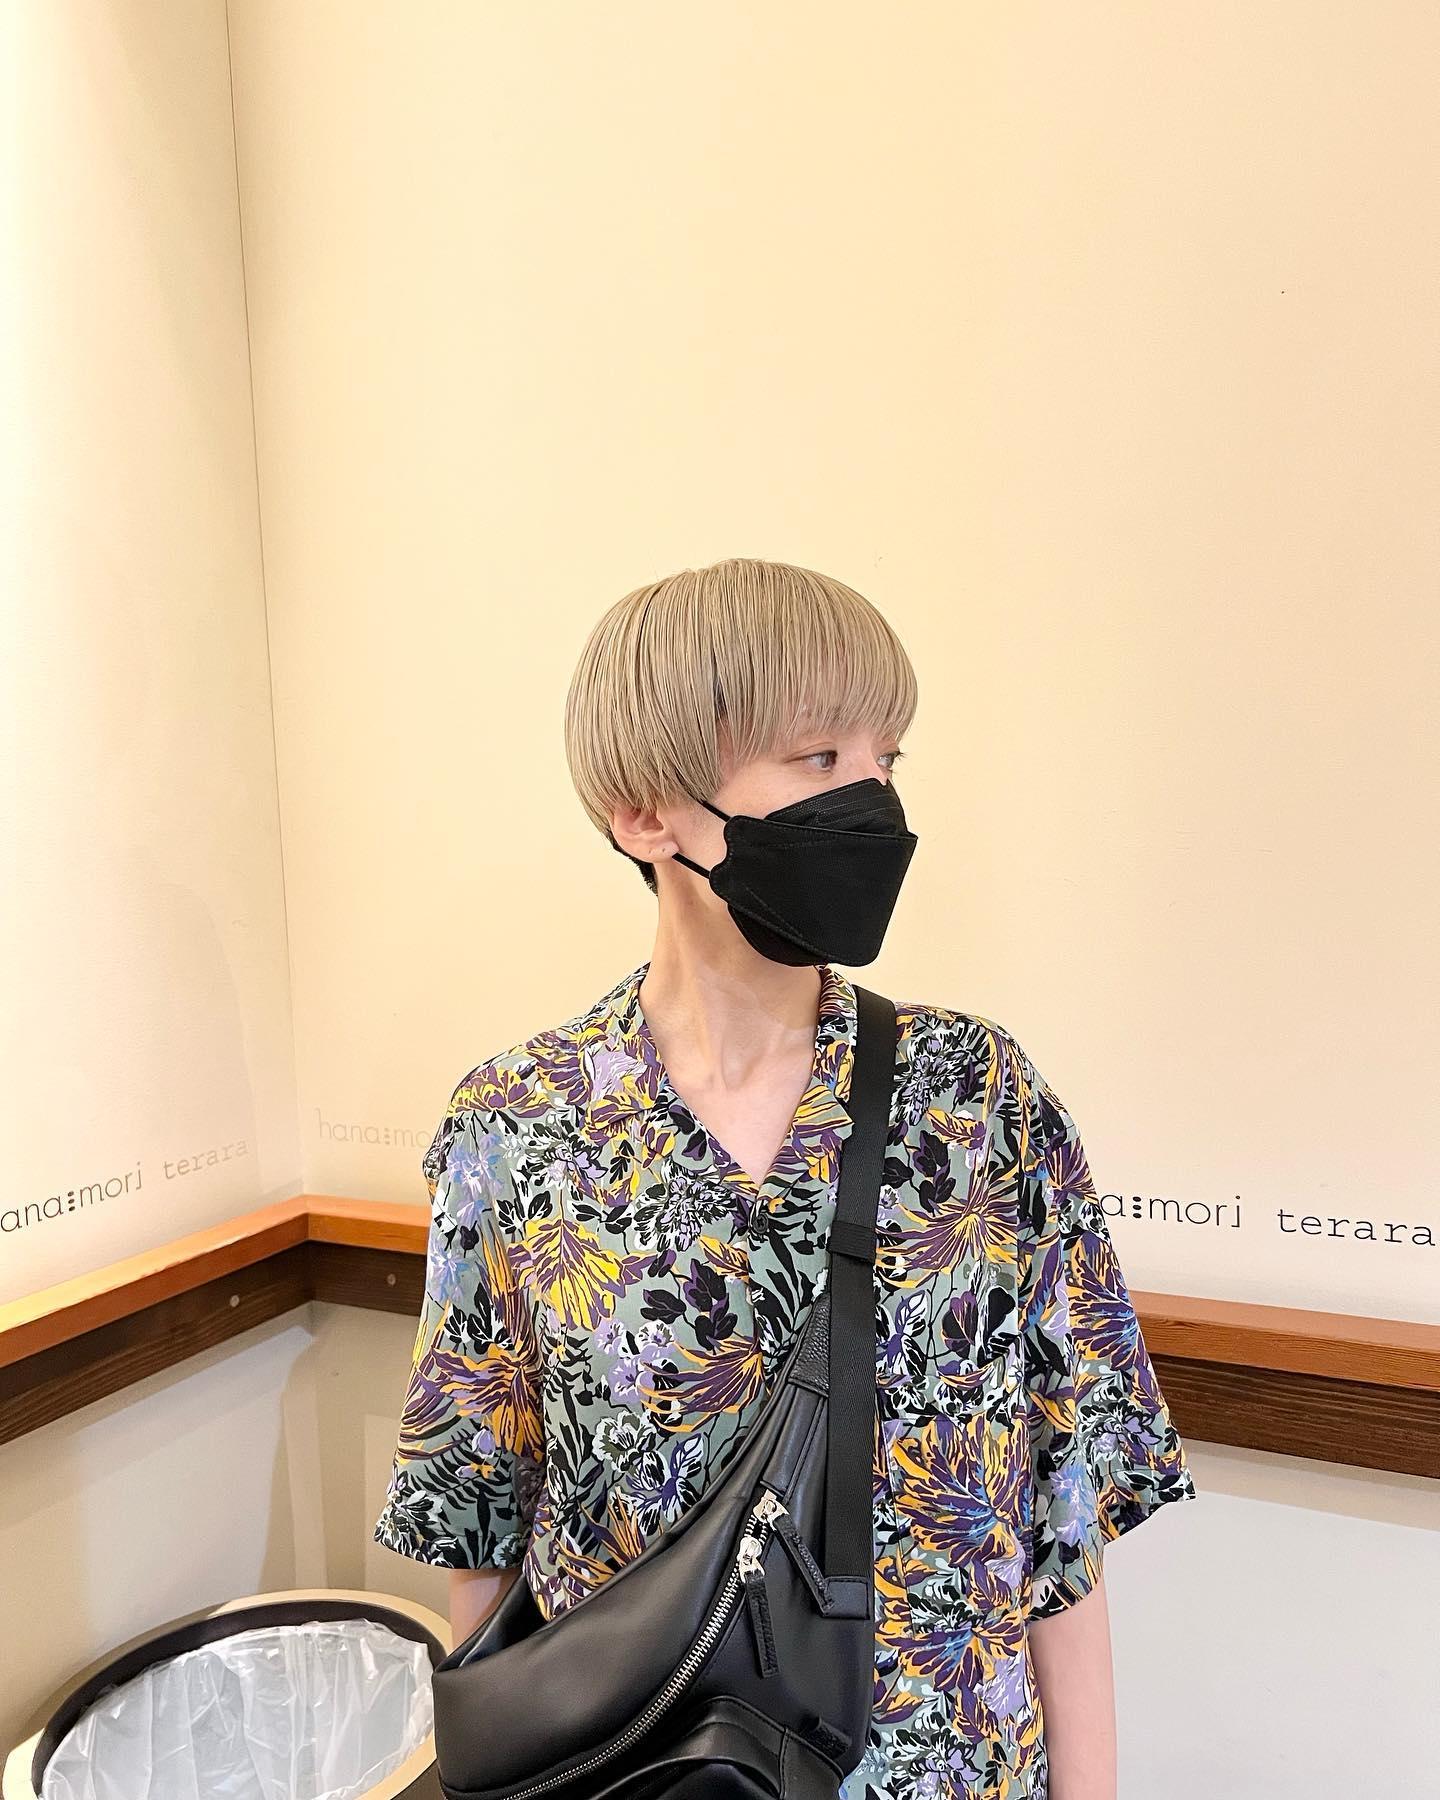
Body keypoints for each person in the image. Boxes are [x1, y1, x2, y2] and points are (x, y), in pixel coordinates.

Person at [373, 557, 1198, 1799]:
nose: (872, 799)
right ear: (644, 813)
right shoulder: (519, 1128)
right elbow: (477, 1519)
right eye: (820, 757)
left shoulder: (981, 1102)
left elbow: (1062, 1521)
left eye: (887, 757)